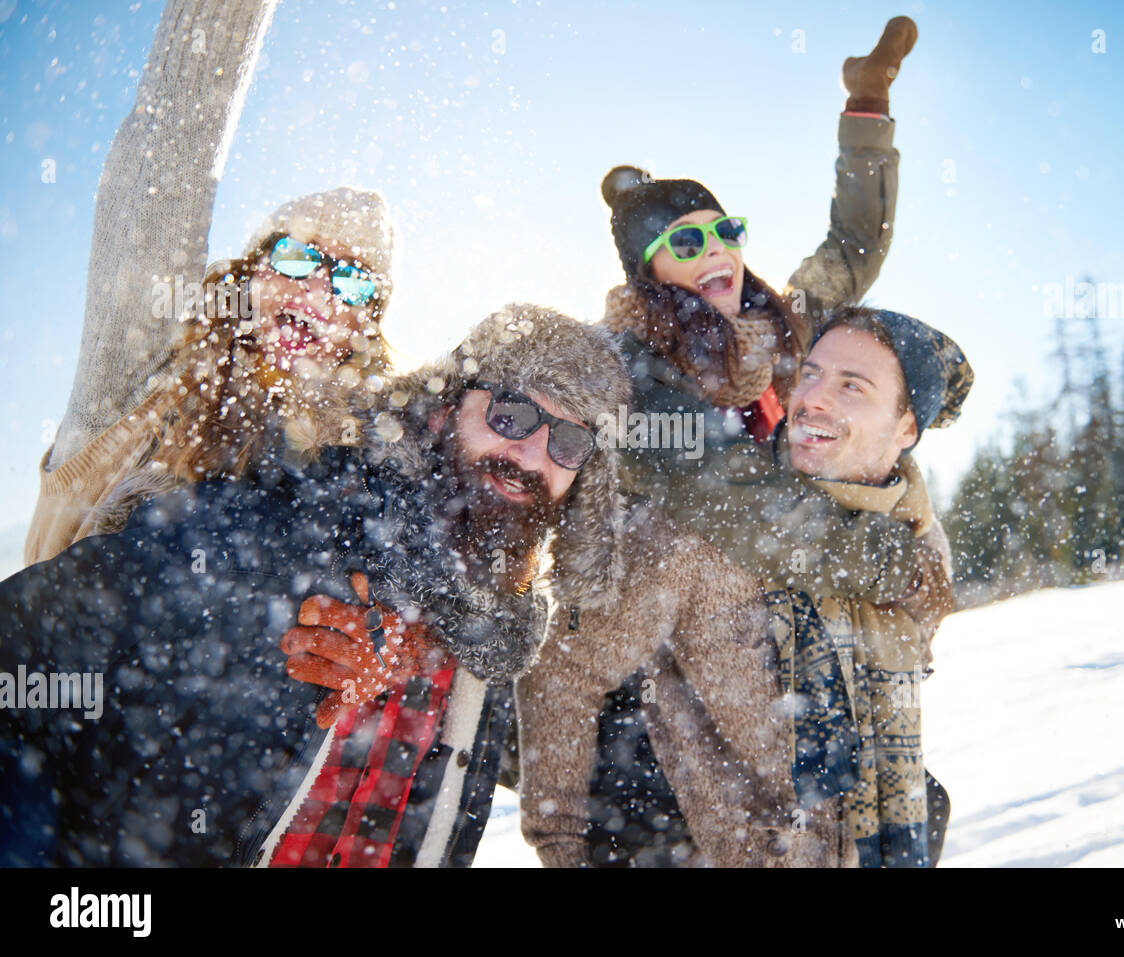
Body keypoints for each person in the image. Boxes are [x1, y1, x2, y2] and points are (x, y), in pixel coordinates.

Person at [0, 305, 627, 868]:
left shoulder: (504, 634)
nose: (530, 452)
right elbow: (22, 649)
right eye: (511, 413)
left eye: (569, 440)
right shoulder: (269, 529)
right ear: (441, 412)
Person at [553, 15, 949, 865]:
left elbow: (853, 246)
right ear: (647, 270)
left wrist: (866, 108)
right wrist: (889, 564)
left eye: (725, 229)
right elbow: (742, 509)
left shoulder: (772, 332)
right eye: (686, 241)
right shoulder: (631, 370)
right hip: (647, 697)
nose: (717, 250)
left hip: (773, 659)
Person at [24, 0, 397, 565]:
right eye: (296, 257)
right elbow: (164, 159)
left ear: (367, 322)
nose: (318, 290)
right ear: (249, 275)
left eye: (352, 282)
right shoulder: (150, 368)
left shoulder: (378, 449)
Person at [769, 305, 972, 867]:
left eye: (852, 385)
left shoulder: (920, 552)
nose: (813, 397)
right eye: (809, 373)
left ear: (907, 429)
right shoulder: (727, 529)